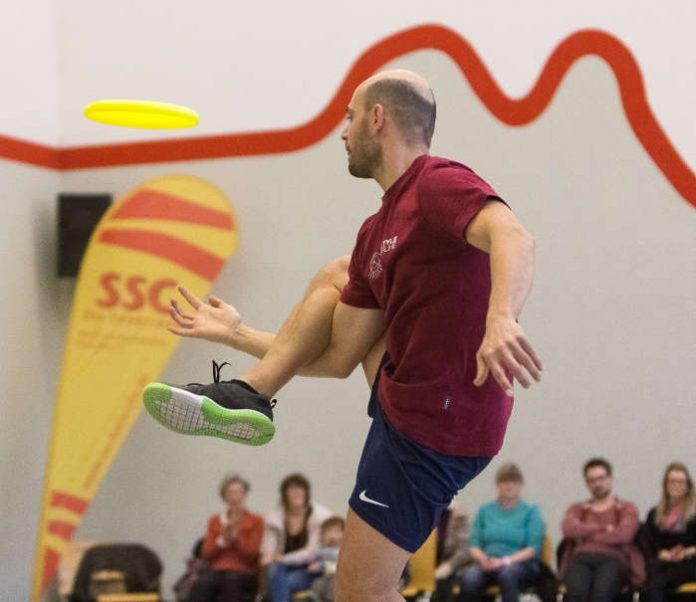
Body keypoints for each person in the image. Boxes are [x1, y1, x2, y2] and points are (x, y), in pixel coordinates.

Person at [144, 69, 541, 601]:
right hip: (404, 397)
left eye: (350, 117)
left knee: (360, 593)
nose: (343, 132)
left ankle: (253, 392)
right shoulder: (376, 231)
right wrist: (237, 334)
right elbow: (333, 357)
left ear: (378, 118)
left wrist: (502, 318)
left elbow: (513, 236)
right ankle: (252, 391)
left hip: (440, 420)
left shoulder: (437, 182)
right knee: (339, 276)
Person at [458, 463, 544, 602]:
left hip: (519, 564)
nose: (509, 485)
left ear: (521, 485)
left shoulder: (530, 511)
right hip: (488, 562)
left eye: (514, 481)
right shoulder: (485, 511)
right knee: (470, 578)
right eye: (505, 481)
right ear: (498, 485)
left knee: (507, 575)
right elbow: (474, 544)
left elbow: (533, 548)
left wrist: (505, 561)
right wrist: (483, 559)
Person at [560, 458, 642, 602]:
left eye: (601, 478)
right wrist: (603, 528)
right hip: (581, 558)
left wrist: (586, 534)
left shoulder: (626, 508)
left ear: (610, 479)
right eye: (592, 480)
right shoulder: (577, 509)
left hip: (614, 558)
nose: (597, 484)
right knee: (575, 594)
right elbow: (568, 529)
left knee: (602, 594)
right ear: (586, 483)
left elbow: (624, 535)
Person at [189, 474, 263, 602]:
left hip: (244, 570)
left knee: (231, 580)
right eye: (230, 493)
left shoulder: (256, 520)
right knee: (203, 583)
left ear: (245, 495)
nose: (235, 497)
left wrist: (236, 538)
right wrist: (222, 540)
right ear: (224, 496)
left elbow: (252, 554)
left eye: (238, 492)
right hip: (218, 569)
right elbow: (206, 553)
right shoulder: (215, 520)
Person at [261, 473, 333, 602]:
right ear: (284, 494)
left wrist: (282, 558)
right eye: (292, 490)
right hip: (281, 568)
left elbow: (312, 552)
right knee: (274, 571)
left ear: (306, 493)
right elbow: (268, 551)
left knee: (284, 582)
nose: (296, 493)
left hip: (311, 568)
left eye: (300, 489)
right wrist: (270, 557)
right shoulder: (273, 518)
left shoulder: (320, 517)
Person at [640, 462, 696, 602]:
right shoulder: (654, 513)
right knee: (655, 570)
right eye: (672, 481)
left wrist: (686, 552)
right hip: (663, 562)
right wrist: (663, 553)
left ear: (688, 485)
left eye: (681, 482)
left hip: (690, 561)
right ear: (665, 485)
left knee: (658, 579)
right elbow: (647, 543)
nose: (677, 485)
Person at [433, 502, 470, 602]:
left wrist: (449, 566)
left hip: (449, 565)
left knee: (443, 583)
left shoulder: (458, 515)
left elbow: (463, 551)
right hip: (422, 566)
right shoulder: (423, 512)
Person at [306, 516, 346, 602]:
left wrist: (320, 565)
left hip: (339, 576)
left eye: (336, 531)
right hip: (325, 576)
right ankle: (313, 597)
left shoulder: (343, 548)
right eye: (329, 532)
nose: (332, 535)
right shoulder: (322, 548)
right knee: (317, 584)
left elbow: (334, 558)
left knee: (333, 585)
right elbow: (318, 557)